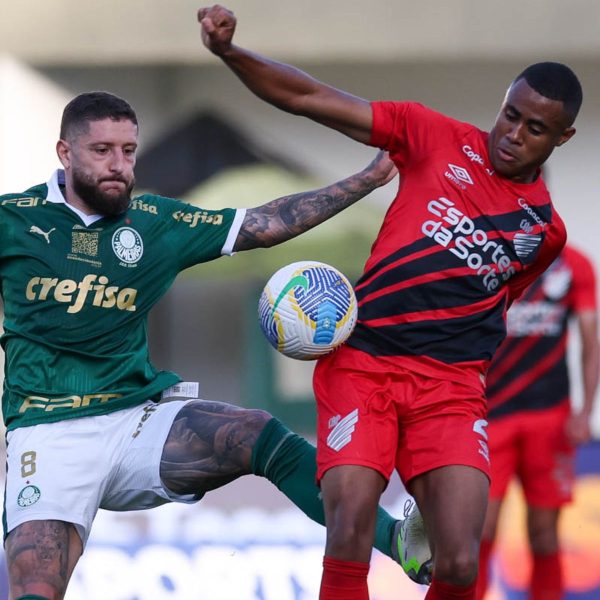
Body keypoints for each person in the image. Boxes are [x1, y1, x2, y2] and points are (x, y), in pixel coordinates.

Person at [198, 5, 583, 599]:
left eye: (535, 129)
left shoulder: (545, 233)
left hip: (449, 388)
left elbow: (491, 308)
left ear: (563, 138)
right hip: (365, 363)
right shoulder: (431, 134)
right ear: (503, 104)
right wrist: (230, 53)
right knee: (349, 521)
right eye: (511, 115)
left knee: (458, 559)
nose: (513, 133)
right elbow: (307, 97)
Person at [0, 91, 430, 600]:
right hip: (49, 434)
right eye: (102, 151)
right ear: (65, 153)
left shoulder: (155, 222)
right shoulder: (14, 220)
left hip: (137, 421)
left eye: (129, 151)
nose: (119, 165)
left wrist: (367, 180)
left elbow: (262, 225)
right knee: (37, 589)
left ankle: (399, 540)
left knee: (256, 434)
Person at [476, 244, 599, 600]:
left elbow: (591, 342)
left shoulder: (574, 264)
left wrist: (585, 410)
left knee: (544, 534)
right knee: (479, 531)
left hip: (549, 418)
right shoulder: (485, 259)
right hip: (489, 417)